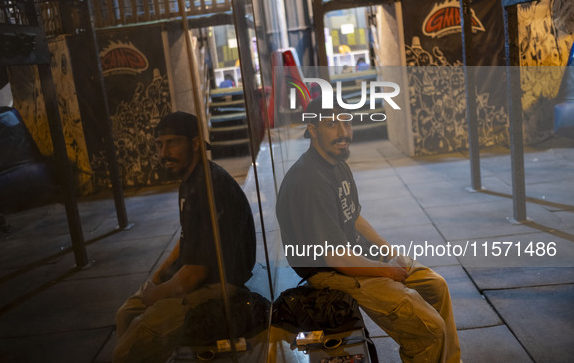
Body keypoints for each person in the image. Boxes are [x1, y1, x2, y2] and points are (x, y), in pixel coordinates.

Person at [276, 99, 461, 363]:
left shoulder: (336, 163)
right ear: (313, 129)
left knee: (435, 286)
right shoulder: (310, 181)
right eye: (332, 125)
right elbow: (334, 257)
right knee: (428, 328)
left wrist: (388, 251)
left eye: (347, 123)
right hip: (330, 273)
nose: (343, 133)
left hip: (353, 255)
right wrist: (388, 270)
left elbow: (355, 216)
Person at [113, 111, 256, 362]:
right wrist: (157, 279)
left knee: (123, 354)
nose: (163, 153)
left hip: (219, 285)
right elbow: (186, 242)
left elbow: (195, 272)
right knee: (125, 313)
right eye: (159, 145)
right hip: (197, 276)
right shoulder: (190, 179)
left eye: (172, 143)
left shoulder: (208, 188)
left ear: (195, 144)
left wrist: (156, 295)